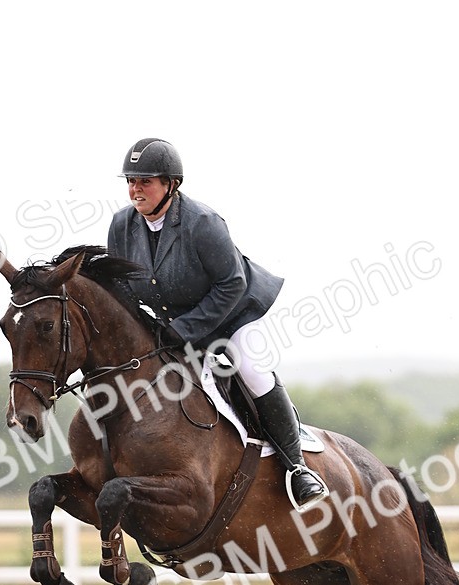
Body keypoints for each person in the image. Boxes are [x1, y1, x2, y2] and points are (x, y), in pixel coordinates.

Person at [106, 137, 327, 509]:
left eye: (145, 181)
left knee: (253, 371)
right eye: (131, 180)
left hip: (232, 315)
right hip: (173, 321)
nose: (135, 189)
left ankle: (297, 467)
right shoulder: (121, 226)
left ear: (170, 184)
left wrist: (185, 329)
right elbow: (121, 286)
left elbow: (232, 283)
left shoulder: (202, 223)